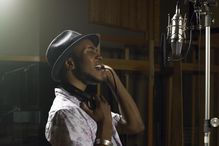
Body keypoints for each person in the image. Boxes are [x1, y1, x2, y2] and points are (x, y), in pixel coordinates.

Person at [45, 30, 144, 146]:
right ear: (70, 63)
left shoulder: (84, 103)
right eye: (90, 51)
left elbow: (134, 126)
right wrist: (104, 124)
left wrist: (111, 76)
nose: (99, 56)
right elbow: (112, 125)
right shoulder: (66, 113)